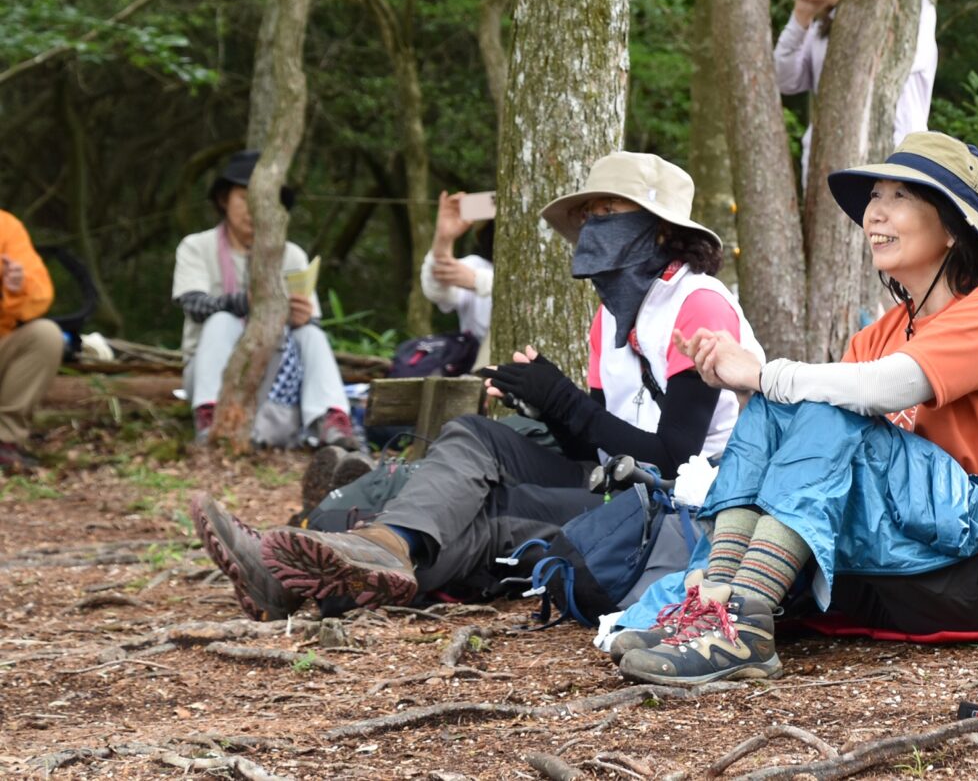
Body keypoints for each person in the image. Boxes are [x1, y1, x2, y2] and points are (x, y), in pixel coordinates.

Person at [190, 151, 757, 621]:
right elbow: (594, 446)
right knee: (474, 434)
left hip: (676, 506)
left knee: (489, 513)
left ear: (659, 230)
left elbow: (674, 459)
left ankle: (296, 581)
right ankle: (385, 545)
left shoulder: (698, 304)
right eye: (588, 213)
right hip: (613, 479)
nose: (592, 225)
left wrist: (561, 399)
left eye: (609, 211)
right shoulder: (609, 316)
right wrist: (544, 403)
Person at [611, 132, 978, 686]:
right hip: (902, 553)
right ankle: (717, 606)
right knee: (788, 402)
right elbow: (809, 444)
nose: (875, 213)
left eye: (900, 196)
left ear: (952, 228)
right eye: (875, 196)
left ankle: (742, 625)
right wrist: (745, 387)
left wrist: (763, 372)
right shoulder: (880, 334)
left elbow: (875, 391)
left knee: (821, 397)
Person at [173, 150, 354, 449]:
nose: (254, 209)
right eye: (245, 198)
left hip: (272, 374)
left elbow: (311, 323)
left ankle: (332, 422)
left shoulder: (291, 255)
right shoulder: (196, 246)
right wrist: (245, 305)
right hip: (210, 374)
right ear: (224, 199)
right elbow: (193, 305)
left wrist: (302, 318)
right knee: (221, 320)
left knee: (311, 334)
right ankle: (210, 416)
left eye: (265, 201)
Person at [775, 0, 939, 178]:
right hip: (830, 173)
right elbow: (785, 80)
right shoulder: (823, 22)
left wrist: (847, 2)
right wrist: (801, 17)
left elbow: (881, 62)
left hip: (897, 170)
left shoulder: (917, 12)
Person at [0, 209, 62, 475]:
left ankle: (5, 440)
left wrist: (17, 285)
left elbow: (41, 297)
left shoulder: (6, 226)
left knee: (45, 335)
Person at [420, 190, 495, 345]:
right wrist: (444, 238)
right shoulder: (476, 265)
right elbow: (436, 290)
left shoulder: (477, 273)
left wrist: (479, 281)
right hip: (482, 356)